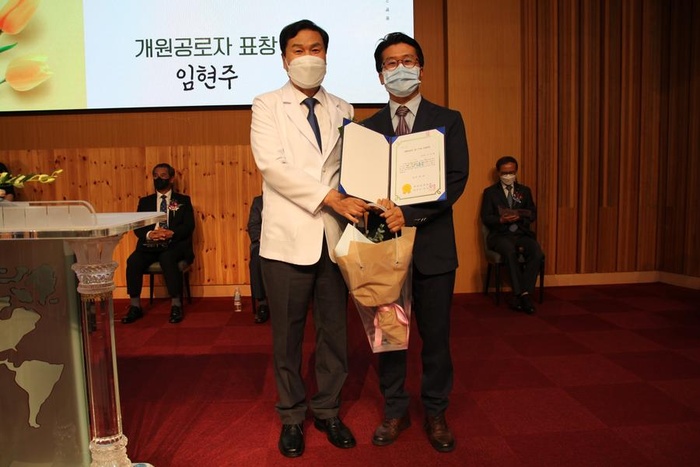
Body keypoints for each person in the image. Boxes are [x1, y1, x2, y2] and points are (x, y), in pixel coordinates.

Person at [250, 19, 368, 458]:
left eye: (315, 48)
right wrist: (330, 199)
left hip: (334, 238)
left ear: (326, 55)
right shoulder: (267, 105)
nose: (307, 57)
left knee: (335, 333)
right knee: (288, 336)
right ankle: (291, 416)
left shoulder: (344, 108)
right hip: (286, 239)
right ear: (284, 59)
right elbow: (273, 167)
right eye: (298, 50)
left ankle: (328, 409)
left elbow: (353, 170)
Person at [362, 32, 469, 453]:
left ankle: (436, 411)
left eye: (408, 60)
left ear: (421, 68)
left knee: (436, 338)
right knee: (389, 336)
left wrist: (409, 215)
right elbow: (358, 187)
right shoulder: (366, 130)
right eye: (391, 63)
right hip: (383, 251)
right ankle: (395, 409)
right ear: (380, 75)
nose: (400, 69)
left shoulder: (448, 120)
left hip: (433, 249)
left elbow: (455, 179)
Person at [121, 163, 195, 325]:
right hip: (150, 245)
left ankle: (176, 305)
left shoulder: (183, 200)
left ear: (171, 179)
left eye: (163, 176)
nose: (158, 179)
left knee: (167, 258)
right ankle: (135, 306)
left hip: (174, 244)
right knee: (133, 261)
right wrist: (150, 234)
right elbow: (138, 226)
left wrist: (171, 233)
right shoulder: (145, 202)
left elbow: (189, 226)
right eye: (155, 176)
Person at [480, 156, 543, 315]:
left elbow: (533, 214)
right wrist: (501, 219)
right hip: (500, 235)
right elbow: (486, 217)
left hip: (521, 233)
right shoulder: (490, 193)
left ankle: (522, 294)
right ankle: (523, 296)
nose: (508, 176)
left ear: (516, 172)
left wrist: (520, 216)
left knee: (536, 252)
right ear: (498, 173)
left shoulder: (525, 191)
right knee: (509, 251)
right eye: (505, 173)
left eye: (511, 172)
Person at [247, 195, 269, 324]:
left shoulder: (288, 200)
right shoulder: (259, 201)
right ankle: (262, 303)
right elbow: (253, 225)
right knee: (256, 258)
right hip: (262, 242)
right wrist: (264, 239)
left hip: (285, 244)